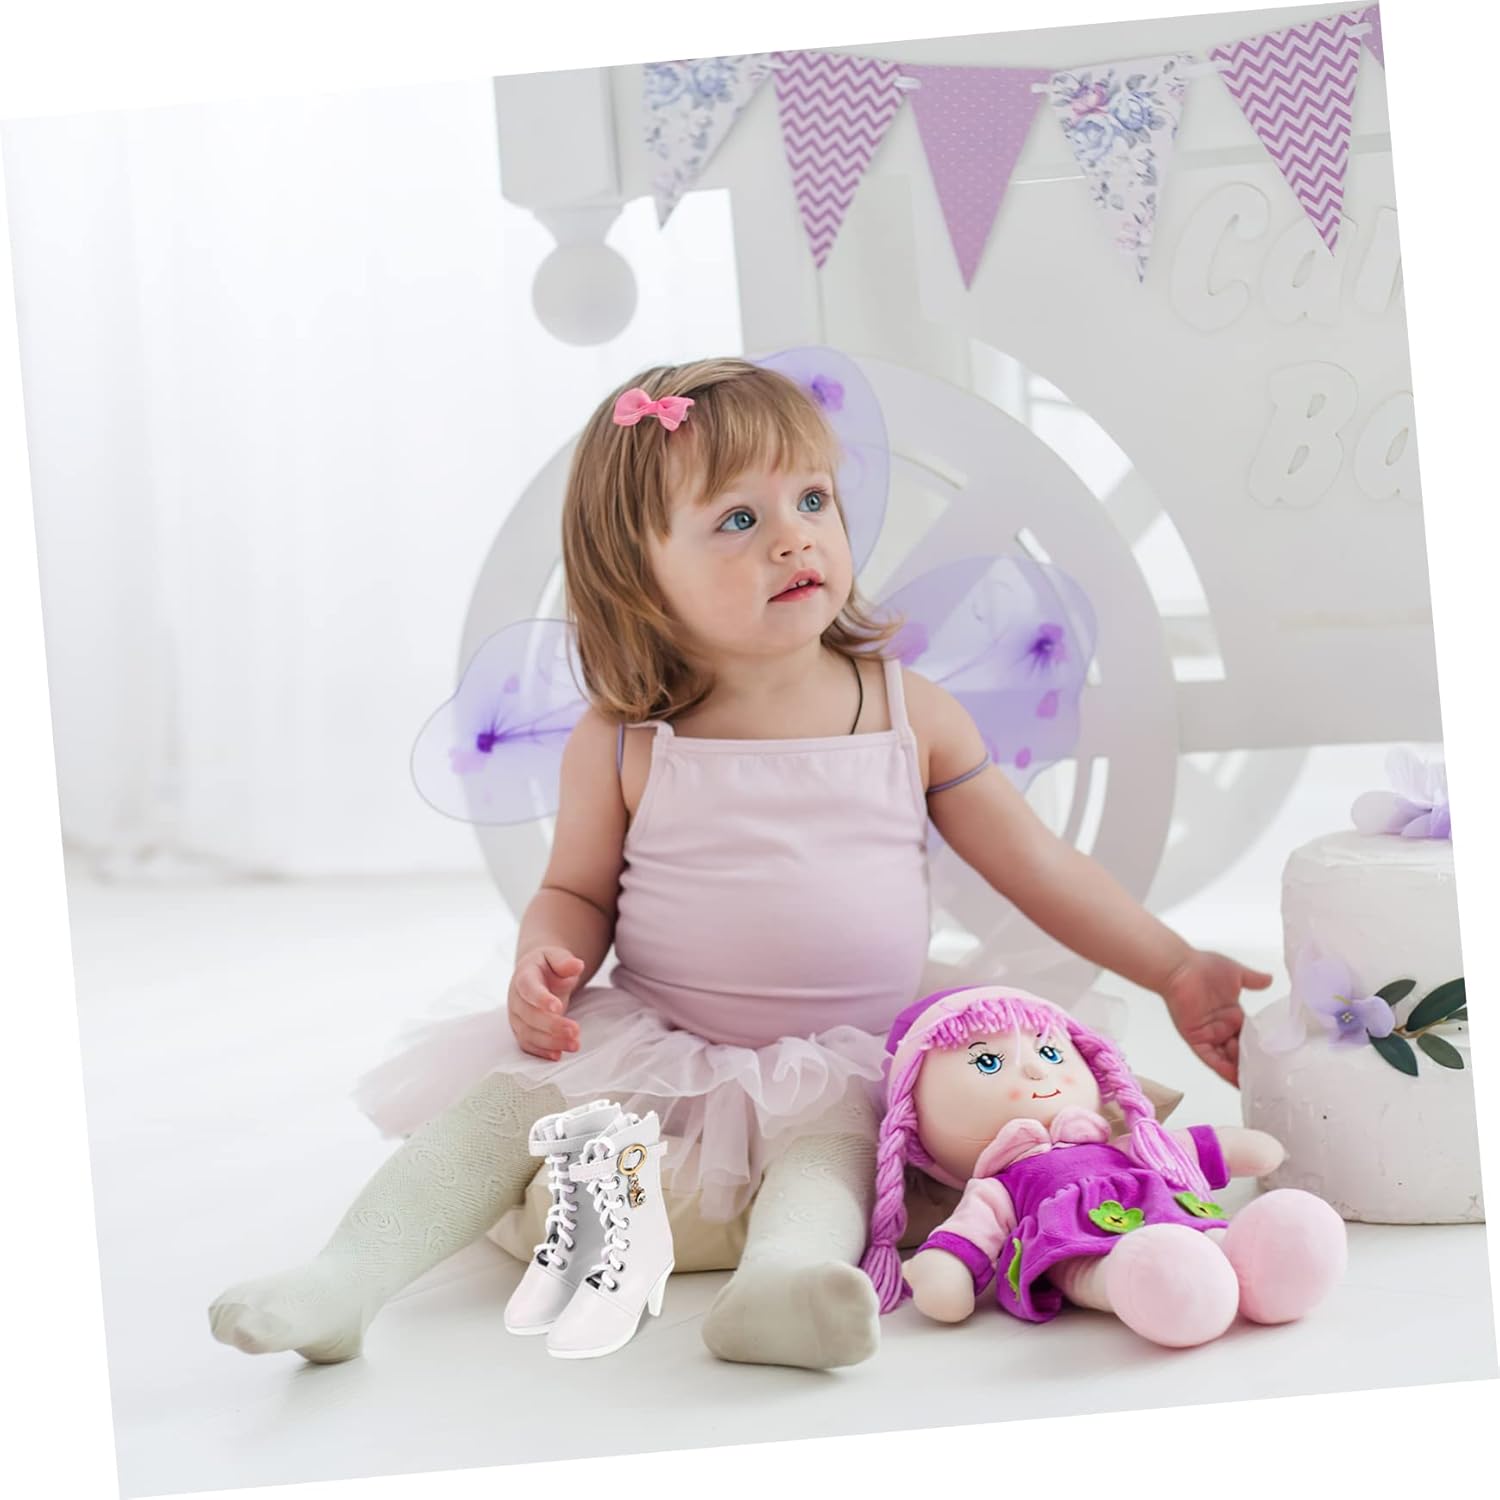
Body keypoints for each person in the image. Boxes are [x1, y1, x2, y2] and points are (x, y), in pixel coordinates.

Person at [209, 356, 1270, 1371]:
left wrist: (1174, 966)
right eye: (738, 519)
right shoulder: (625, 740)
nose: (794, 537)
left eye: (812, 500)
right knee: (497, 1111)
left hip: (850, 1047)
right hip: (661, 1035)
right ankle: (345, 1279)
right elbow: (574, 891)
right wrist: (546, 959)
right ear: (640, 574)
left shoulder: (909, 714)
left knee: (830, 1153)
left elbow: (1037, 866)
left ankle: (781, 1291)